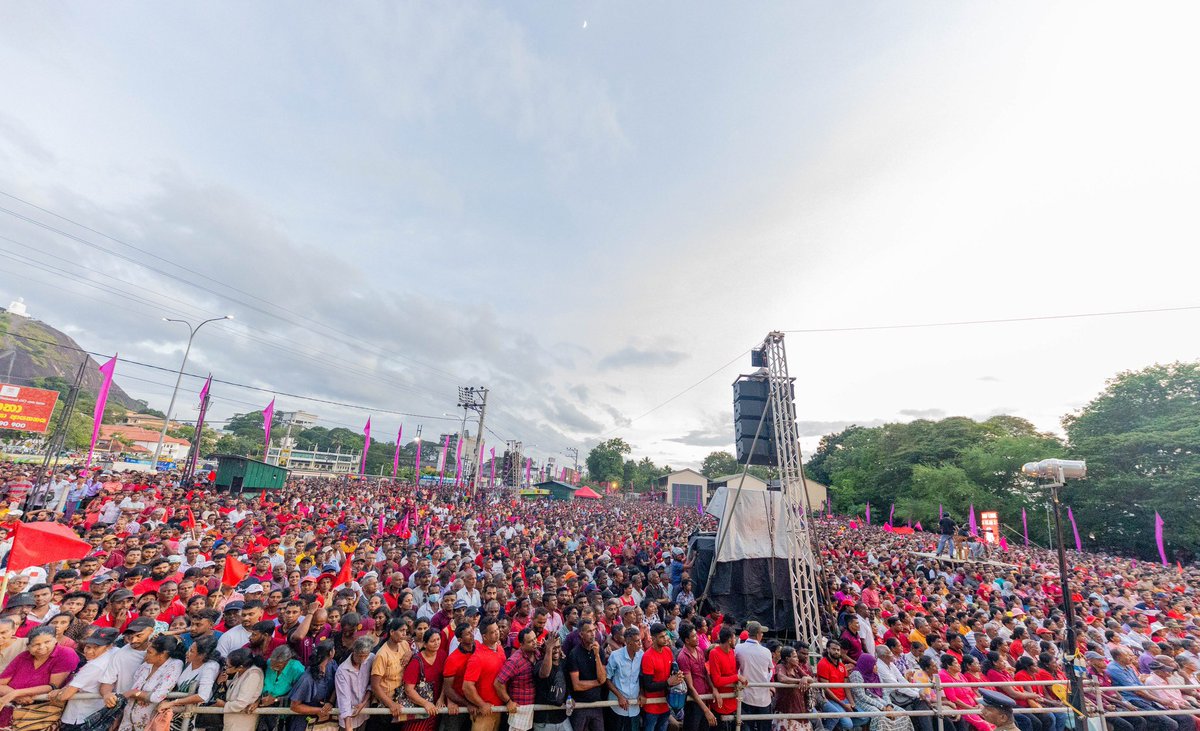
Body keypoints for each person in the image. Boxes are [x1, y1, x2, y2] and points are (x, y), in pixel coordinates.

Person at [0, 624, 79, 729]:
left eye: (47, 642)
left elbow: (53, 686)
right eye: (36, 644)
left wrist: (16, 693)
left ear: (55, 640)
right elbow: (1, 683)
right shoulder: (24, 656)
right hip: (9, 707)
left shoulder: (65, 653)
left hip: (40, 710)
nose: (42, 647)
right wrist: (16, 696)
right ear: (28, 646)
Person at [51, 626, 121, 731]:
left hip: (77, 719)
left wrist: (56, 694)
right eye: (88, 647)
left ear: (109, 646)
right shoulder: (115, 652)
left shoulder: (94, 666)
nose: (89, 651)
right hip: (95, 716)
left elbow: (65, 696)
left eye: (96, 647)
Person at [117, 634, 186, 731]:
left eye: (149, 652)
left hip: (149, 724)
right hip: (127, 722)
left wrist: (134, 693)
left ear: (163, 654)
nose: (145, 656)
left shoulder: (175, 665)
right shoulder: (146, 665)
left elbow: (158, 696)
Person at [160, 635, 222, 731]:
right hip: (176, 713)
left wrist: (173, 703)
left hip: (191, 717)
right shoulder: (189, 661)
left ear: (202, 655)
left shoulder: (210, 667)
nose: (188, 653)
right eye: (189, 649)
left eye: (192, 651)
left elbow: (202, 696)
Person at [848, 654, 913, 731]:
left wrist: (889, 705)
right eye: (874, 664)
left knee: (903, 713)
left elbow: (884, 692)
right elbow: (862, 696)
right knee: (880, 716)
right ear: (867, 664)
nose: (876, 666)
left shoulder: (876, 674)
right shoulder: (856, 674)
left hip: (880, 701)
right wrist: (882, 707)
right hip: (863, 702)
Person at [463, 617, 506, 731]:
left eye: (497, 629)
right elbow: (467, 686)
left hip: (499, 709)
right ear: (484, 636)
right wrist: (481, 704)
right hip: (484, 712)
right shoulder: (477, 658)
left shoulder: (500, 649)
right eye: (492, 632)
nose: (497, 633)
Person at [370, 617, 413, 730]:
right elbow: (375, 686)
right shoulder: (382, 655)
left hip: (400, 699)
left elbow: (412, 653)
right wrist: (391, 704)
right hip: (385, 703)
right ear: (392, 632)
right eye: (401, 630)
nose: (404, 634)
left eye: (405, 631)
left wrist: (410, 653)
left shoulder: (404, 644)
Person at [495, 626, 540, 731]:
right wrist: (508, 702)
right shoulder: (514, 661)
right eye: (530, 641)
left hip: (533, 707)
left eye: (535, 639)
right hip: (519, 710)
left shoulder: (537, 653)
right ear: (521, 645)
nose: (534, 642)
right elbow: (498, 683)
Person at [288, 640, 339, 731]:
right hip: (305, 722)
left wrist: (330, 702)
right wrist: (319, 711)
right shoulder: (307, 679)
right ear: (331, 653)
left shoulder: (332, 664)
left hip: (325, 721)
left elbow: (338, 684)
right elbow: (294, 706)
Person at [641, 623, 683, 731]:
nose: (666, 639)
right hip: (652, 706)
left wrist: (677, 677)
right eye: (662, 637)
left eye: (666, 635)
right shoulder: (647, 657)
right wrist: (668, 683)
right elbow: (648, 686)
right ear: (653, 638)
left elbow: (670, 674)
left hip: (666, 703)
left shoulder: (668, 651)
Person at [676, 622, 718, 731]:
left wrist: (713, 689)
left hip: (705, 698)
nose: (697, 638)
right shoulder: (683, 657)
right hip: (694, 702)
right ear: (687, 640)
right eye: (694, 636)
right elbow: (690, 687)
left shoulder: (699, 650)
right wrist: (706, 710)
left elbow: (705, 672)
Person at [403, 629, 447, 731]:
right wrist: (425, 703)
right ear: (425, 644)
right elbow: (409, 689)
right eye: (432, 641)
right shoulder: (416, 662)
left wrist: (441, 698)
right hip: (419, 709)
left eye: (438, 639)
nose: (436, 643)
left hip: (436, 707)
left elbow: (446, 679)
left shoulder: (442, 655)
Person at [736, 621, 775, 731]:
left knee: (746, 726)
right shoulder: (766, 652)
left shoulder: (739, 648)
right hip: (762, 698)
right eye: (761, 633)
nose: (762, 635)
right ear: (758, 634)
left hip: (746, 696)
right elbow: (770, 669)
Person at [607, 625, 645, 731]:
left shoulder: (642, 655)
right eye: (637, 641)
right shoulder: (615, 656)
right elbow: (607, 679)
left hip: (634, 706)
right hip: (617, 706)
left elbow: (642, 677)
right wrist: (619, 696)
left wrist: (642, 693)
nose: (640, 644)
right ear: (629, 643)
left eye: (640, 640)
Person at [219, 648, 267, 731]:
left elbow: (241, 703)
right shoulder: (241, 671)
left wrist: (223, 705)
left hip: (241, 723)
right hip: (232, 721)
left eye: (228, 666)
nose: (225, 668)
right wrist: (225, 682)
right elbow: (236, 688)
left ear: (240, 667)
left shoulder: (253, 675)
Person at [336, 636, 376, 731]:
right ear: (354, 651)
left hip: (363, 712)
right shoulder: (342, 671)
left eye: (365, 655)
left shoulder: (371, 658)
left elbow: (372, 684)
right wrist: (348, 726)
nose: (362, 659)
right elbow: (344, 698)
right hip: (347, 717)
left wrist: (363, 703)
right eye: (360, 655)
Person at [773, 646, 813, 731]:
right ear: (787, 659)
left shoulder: (797, 668)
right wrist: (800, 680)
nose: (797, 659)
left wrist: (805, 679)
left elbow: (811, 679)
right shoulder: (780, 666)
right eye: (794, 657)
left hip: (800, 710)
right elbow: (782, 678)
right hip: (786, 711)